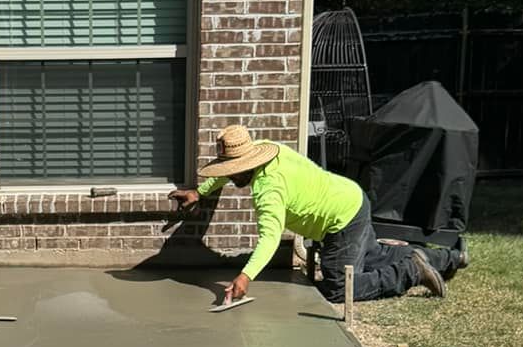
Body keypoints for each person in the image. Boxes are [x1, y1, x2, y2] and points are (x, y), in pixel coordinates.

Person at [169, 125, 464, 308]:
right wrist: (201, 192)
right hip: (351, 199)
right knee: (374, 256)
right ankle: (451, 258)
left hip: (341, 221)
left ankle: (411, 273)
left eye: (232, 173)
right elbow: (229, 169)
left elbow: (270, 240)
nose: (230, 178)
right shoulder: (271, 150)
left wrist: (245, 277)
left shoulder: (268, 191)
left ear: (248, 164)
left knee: (338, 288)